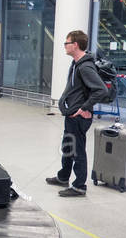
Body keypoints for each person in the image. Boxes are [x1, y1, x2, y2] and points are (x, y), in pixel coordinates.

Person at [46, 30, 108, 198]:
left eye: (67, 43)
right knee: (68, 146)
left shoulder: (85, 66)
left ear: (75, 45)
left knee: (77, 150)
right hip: (72, 114)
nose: (64, 46)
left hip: (79, 116)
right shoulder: (76, 63)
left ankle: (79, 186)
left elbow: (100, 90)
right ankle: (63, 176)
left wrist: (85, 108)